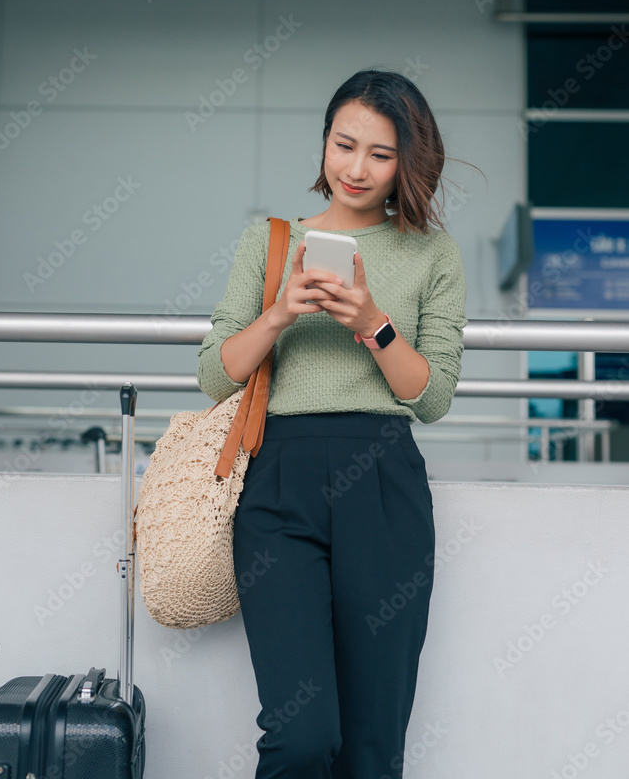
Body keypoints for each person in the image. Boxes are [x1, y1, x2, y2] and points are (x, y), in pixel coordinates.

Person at [197, 68, 471, 779]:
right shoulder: (269, 239)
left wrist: (373, 323)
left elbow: (433, 396)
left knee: (372, 750)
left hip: (382, 484)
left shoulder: (430, 254)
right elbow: (214, 373)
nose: (355, 168)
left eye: (379, 155)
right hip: (277, 486)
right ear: (323, 143)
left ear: (407, 163)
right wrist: (282, 311)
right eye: (343, 145)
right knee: (299, 737)